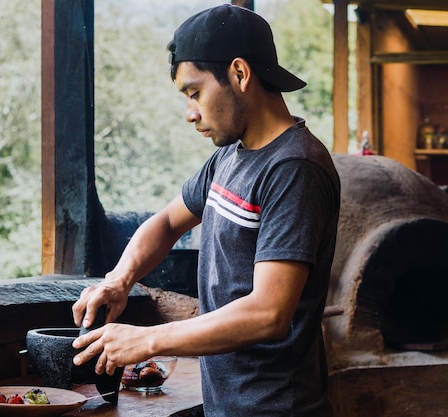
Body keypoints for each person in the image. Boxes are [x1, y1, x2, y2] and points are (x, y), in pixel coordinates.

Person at [72, 4, 340, 416]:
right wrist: (119, 280)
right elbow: (165, 223)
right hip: (226, 405)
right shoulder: (231, 157)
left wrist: (147, 340)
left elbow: (268, 313)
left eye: (195, 93)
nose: (189, 113)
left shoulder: (294, 167)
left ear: (239, 73)